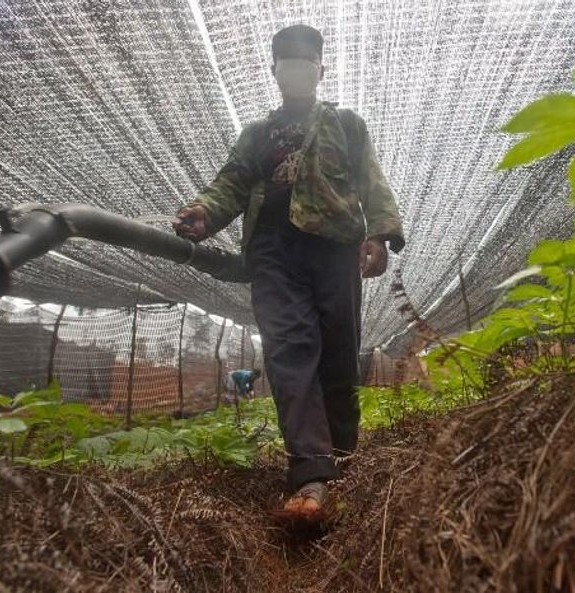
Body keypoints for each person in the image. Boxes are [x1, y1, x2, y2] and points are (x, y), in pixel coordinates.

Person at [173, 24, 404, 518]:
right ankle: (312, 474)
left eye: (305, 65)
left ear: (320, 72)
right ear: (274, 72)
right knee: (290, 351)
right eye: (287, 65)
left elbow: (372, 180)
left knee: (338, 352)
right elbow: (230, 184)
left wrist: (379, 234)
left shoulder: (346, 125)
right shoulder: (257, 135)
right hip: (273, 250)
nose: (296, 72)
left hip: (335, 245)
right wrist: (204, 212)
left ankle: (342, 453)